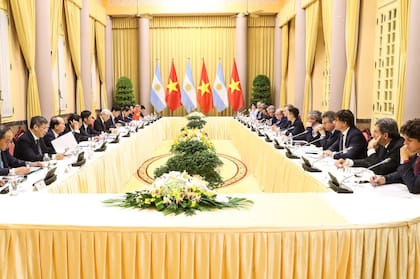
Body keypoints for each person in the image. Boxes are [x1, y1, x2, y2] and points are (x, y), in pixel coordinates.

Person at [336, 118, 404, 175]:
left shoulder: (398, 147)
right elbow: (369, 161)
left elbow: (380, 170)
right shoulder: (382, 143)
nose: (373, 135)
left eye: (376, 132)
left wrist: (371, 150)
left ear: (385, 135)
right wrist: (349, 162)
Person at [371, 118, 420, 194]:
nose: (405, 143)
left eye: (409, 140)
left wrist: (405, 160)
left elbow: (414, 187)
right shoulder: (416, 155)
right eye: (405, 139)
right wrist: (384, 179)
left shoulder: (409, 153)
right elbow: (403, 174)